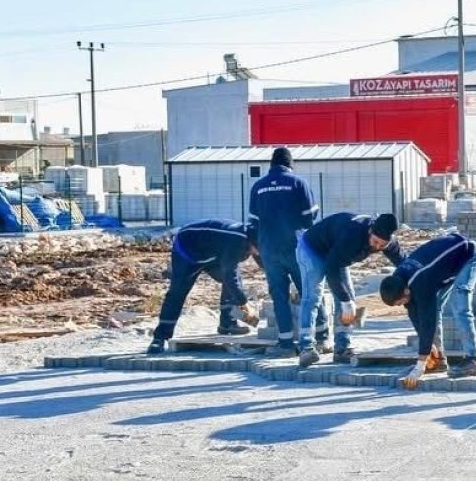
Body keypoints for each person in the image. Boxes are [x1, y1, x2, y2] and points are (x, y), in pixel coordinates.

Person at [248, 147, 330, 357]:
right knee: (308, 292)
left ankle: (285, 343)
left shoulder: (258, 186)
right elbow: (311, 215)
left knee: (279, 295)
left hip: (269, 249)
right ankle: (321, 337)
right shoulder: (298, 183)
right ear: (290, 164)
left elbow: (253, 223)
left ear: (271, 164)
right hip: (296, 247)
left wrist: (260, 245)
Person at [295, 212, 404, 367]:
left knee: (349, 297)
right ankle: (306, 348)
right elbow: (331, 269)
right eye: (375, 242)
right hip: (312, 248)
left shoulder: (388, 242)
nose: (377, 247)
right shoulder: (352, 234)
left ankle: (342, 348)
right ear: (370, 231)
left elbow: (403, 263)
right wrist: (344, 300)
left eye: (382, 246)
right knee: (313, 296)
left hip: (337, 253)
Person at [380, 232, 476, 385]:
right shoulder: (399, 279)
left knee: (459, 306)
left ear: (406, 291)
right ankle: (438, 360)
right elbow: (414, 314)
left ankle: (474, 360)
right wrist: (428, 350)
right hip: (444, 266)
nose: (401, 305)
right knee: (435, 309)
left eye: (399, 302)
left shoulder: (420, 283)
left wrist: (420, 364)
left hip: (468, 255)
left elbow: (427, 320)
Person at [146, 219, 261, 354]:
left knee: (233, 284)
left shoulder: (251, 240)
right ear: (253, 242)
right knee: (177, 293)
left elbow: (265, 264)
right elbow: (230, 275)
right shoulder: (235, 241)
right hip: (188, 253)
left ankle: (228, 323)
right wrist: (245, 304)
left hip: (212, 254)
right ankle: (159, 338)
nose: (259, 253)